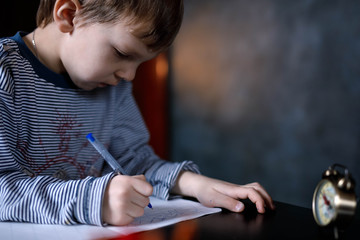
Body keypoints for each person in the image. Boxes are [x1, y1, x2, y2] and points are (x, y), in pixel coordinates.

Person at [0, 0, 275, 226]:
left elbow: (133, 163)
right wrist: (94, 200)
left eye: (140, 63)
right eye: (121, 53)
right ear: (69, 15)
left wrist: (194, 185)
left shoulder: (112, 87)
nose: (129, 75)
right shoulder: (5, 74)